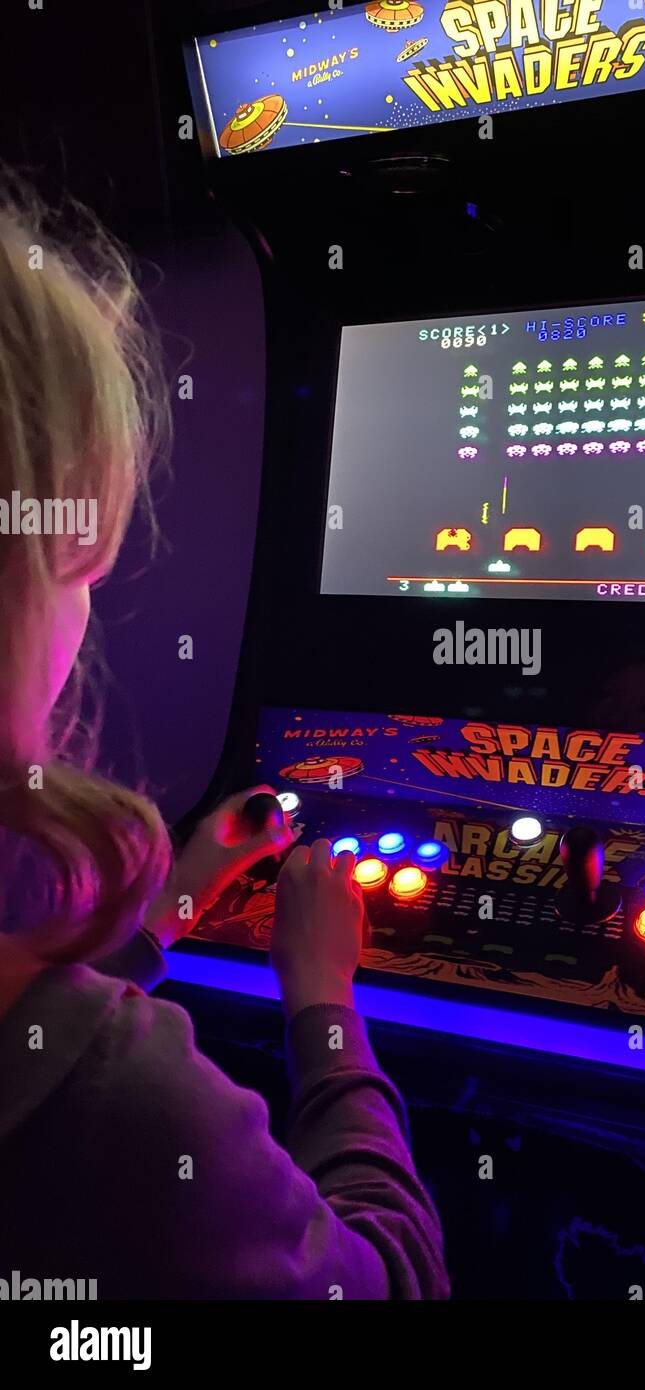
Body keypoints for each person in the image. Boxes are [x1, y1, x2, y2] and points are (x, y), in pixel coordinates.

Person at [0, 182, 449, 1299]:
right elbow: (389, 1277)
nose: (91, 602)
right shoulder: (126, 1103)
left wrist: (182, 899)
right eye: (83, 563)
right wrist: (323, 1001)